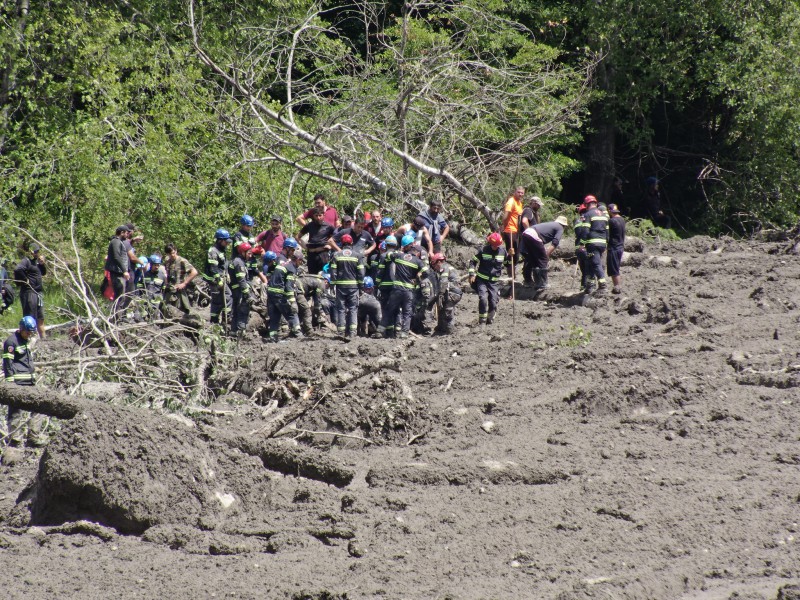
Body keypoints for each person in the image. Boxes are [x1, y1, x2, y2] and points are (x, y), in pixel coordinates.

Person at [3, 316, 47, 448]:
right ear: (21, 328)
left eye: (31, 333)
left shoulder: (26, 341)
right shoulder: (11, 342)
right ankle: (15, 441)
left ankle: (33, 437)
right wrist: (11, 384)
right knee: (16, 411)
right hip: (18, 383)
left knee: (38, 407)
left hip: (30, 383)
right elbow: (8, 363)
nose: (29, 335)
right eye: (27, 332)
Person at [379, 235, 428, 339]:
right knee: (407, 312)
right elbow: (426, 273)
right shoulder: (417, 261)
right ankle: (404, 333)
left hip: (396, 289)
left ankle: (380, 330)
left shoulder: (399, 256)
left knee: (389, 309)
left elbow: (388, 256)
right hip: (408, 291)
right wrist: (416, 276)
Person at [329, 234, 365, 338]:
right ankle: (353, 332)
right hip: (353, 287)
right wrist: (361, 285)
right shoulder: (357, 256)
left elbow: (333, 272)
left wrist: (332, 285)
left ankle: (341, 332)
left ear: (342, 243)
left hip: (340, 287)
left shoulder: (337, 255)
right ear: (352, 243)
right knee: (353, 308)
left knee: (341, 309)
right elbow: (361, 273)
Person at [520, 216, 569, 292]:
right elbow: (555, 242)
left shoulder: (551, 224)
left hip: (526, 233)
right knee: (543, 259)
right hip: (533, 235)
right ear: (564, 225)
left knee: (534, 259)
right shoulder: (560, 227)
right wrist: (547, 254)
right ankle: (543, 284)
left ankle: (537, 283)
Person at [468, 232, 507, 325]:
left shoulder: (503, 252)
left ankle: (490, 319)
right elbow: (473, 262)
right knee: (483, 299)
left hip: (494, 282)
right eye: (493, 245)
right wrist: (471, 274)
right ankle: (482, 321)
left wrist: (512, 256)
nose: (495, 247)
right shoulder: (483, 250)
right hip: (482, 280)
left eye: (497, 246)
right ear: (490, 243)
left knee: (493, 302)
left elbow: (508, 264)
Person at [267, 251, 303, 342]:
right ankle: (298, 333)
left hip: (271, 293)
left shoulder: (284, 263)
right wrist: (292, 301)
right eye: (301, 261)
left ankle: (273, 337)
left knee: (275, 316)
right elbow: (288, 286)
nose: (301, 263)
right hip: (279, 294)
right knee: (291, 312)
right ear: (298, 260)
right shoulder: (291, 269)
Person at [13, 243, 47, 339]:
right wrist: (25, 279)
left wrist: (42, 264)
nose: (36, 253)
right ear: (31, 251)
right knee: (30, 318)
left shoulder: (36, 262)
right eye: (35, 251)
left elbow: (43, 272)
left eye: (37, 251)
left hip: (38, 293)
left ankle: (44, 340)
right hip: (29, 292)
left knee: (40, 318)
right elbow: (17, 269)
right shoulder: (26, 261)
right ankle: (29, 340)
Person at [204, 228, 233, 327]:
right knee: (228, 297)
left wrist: (227, 273)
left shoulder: (221, 250)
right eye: (226, 242)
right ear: (220, 240)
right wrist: (219, 280)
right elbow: (213, 268)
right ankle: (225, 320)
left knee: (217, 301)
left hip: (219, 278)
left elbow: (222, 265)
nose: (228, 244)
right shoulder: (213, 251)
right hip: (215, 281)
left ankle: (214, 322)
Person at [428, 253, 462, 335]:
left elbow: (443, 282)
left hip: (452, 293)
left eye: (434, 265)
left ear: (439, 262)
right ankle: (441, 327)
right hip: (453, 292)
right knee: (442, 308)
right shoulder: (448, 267)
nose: (434, 268)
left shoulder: (444, 268)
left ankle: (450, 330)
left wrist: (440, 294)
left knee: (448, 310)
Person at [299, 206, 339, 275]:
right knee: (312, 275)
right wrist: (305, 247)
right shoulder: (309, 225)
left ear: (323, 215)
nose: (318, 218)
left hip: (323, 254)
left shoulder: (329, 226)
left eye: (320, 215)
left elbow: (337, 238)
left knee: (324, 274)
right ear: (313, 216)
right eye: (316, 216)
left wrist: (330, 246)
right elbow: (297, 237)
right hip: (311, 254)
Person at [582, 195, 609, 293]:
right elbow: (607, 231)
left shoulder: (588, 214)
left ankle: (603, 285)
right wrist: (606, 242)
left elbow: (585, 230)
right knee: (591, 263)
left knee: (596, 263)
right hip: (602, 243)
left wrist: (582, 243)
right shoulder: (603, 215)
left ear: (586, 204)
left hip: (592, 243)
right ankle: (590, 285)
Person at [163, 243, 198, 314]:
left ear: (176, 251)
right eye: (170, 254)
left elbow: (194, 272)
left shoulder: (182, 261)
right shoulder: (167, 262)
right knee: (165, 310)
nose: (172, 255)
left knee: (181, 311)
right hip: (169, 290)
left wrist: (184, 283)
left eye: (173, 252)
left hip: (179, 291)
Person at [105, 225, 131, 316]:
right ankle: (115, 318)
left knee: (121, 296)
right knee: (119, 297)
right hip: (117, 274)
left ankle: (117, 317)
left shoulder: (119, 241)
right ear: (122, 232)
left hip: (119, 273)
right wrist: (125, 271)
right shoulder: (116, 242)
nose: (128, 235)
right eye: (127, 233)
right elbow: (117, 257)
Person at [229, 241, 253, 337]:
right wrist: (247, 294)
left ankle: (234, 333)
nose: (250, 255)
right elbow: (242, 281)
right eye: (249, 253)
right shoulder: (239, 263)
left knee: (236, 312)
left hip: (237, 291)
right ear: (243, 252)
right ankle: (240, 332)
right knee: (242, 311)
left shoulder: (239, 261)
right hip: (239, 292)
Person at [501, 186, 525, 278]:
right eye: (518, 192)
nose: (520, 194)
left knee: (516, 253)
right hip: (510, 230)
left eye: (522, 193)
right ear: (514, 192)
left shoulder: (519, 203)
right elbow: (505, 216)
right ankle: (510, 272)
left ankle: (512, 272)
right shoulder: (511, 201)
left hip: (516, 231)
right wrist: (504, 227)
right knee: (511, 252)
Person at [607, 203, 626, 294]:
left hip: (614, 247)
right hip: (621, 246)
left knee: (614, 268)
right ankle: (617, 286)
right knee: (616, 267)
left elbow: (607, 234)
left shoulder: (612, 221)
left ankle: (617, 287)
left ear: (610, 211)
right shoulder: (622, 220)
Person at [573, 204, 592, 293]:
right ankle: (587, 287)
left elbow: (578, 233)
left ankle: (582, 286)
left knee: (583, 269)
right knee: (588, 269)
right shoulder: (589, 220)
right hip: (586, 247)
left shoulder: (576, 221)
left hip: (578, 248)